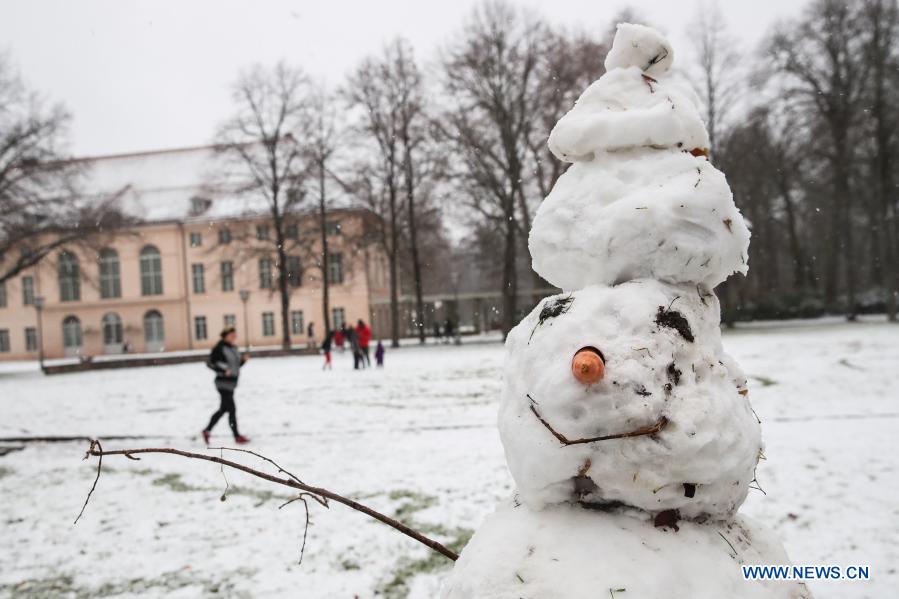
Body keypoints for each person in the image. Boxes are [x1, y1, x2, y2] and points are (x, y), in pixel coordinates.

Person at [202, 326, 250, 445]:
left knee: (223, 409)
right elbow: (211, 363)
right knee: (232, 409)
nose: (234, 337)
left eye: (235, 335)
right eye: (232, 335)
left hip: (232, 384)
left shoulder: (233, 348)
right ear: (225, 335)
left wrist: (243, 360)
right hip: (222, 383)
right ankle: (237, 436)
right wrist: (224, 370)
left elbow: (235, 366)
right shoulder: (219, 348)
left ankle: (207, 431)